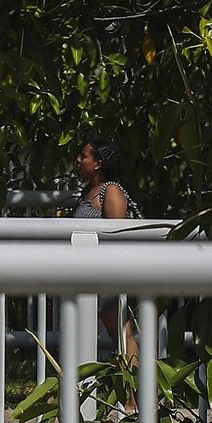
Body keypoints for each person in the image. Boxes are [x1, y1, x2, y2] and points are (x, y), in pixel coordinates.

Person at [70, 135, 140, 366]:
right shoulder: (88, 193)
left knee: (122, 335)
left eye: (84, 156)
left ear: (98, 163)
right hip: (88, 275)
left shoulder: (111, 191)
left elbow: (116, 234)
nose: (79, 160)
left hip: (107, 276)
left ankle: (134, 398)